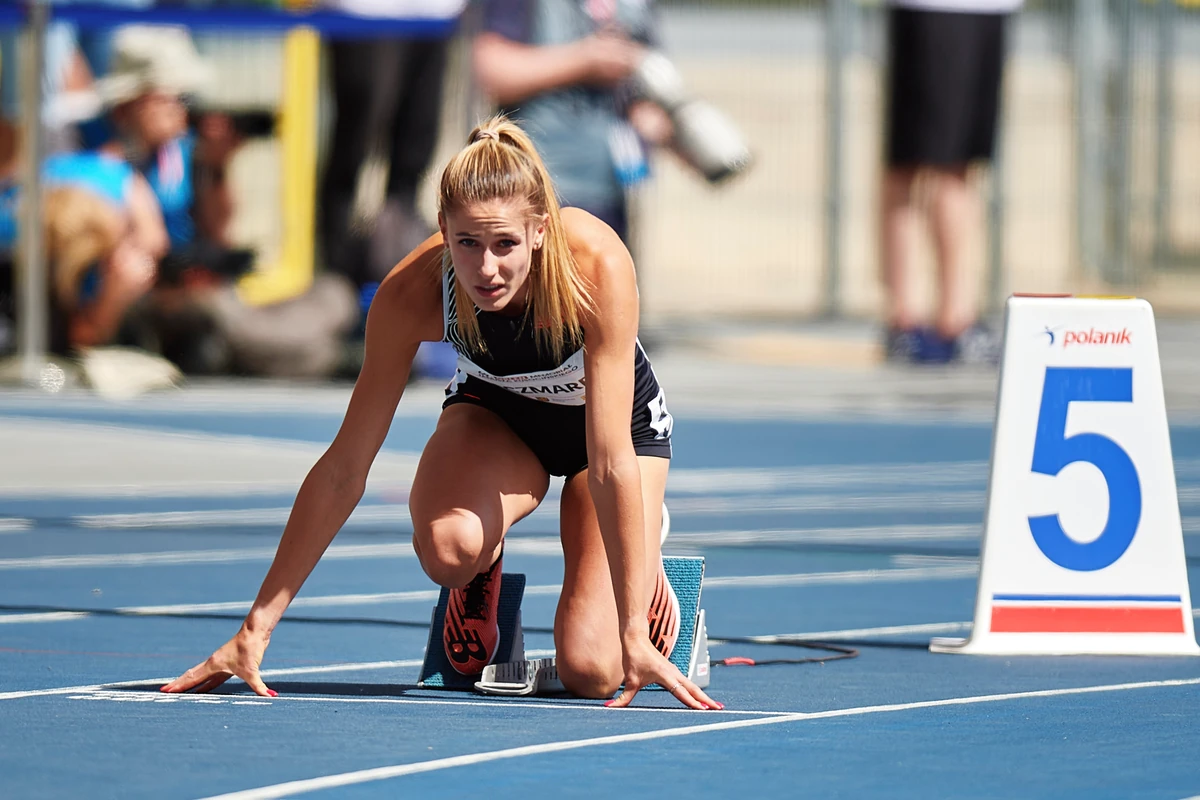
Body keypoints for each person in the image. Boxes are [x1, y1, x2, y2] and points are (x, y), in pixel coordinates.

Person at [161, 116, 722, 710]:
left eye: (505, 244)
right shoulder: (412, 294)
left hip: (609, 433)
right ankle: (482, 564)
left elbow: (610, 463)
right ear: (443, 231)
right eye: (468, 244)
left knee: (593, 670)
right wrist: (256, 628)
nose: (486, 270)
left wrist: (635, 625)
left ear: (540, 230)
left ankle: (651, 572)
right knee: (449, 549)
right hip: (499, 416)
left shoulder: (594, 266)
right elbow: (344, 467)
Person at [880, 0, 1022, 364]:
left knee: (962, 164)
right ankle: (906, 320)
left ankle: (957, 318)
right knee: (915, 161)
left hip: (991, 9)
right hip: (936, 8)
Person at [472, 0, 674, 244]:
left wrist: (651, 110)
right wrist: (585, 60)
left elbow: (657, 79)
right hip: (530, 191)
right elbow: (492, 71)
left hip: (612, 193)